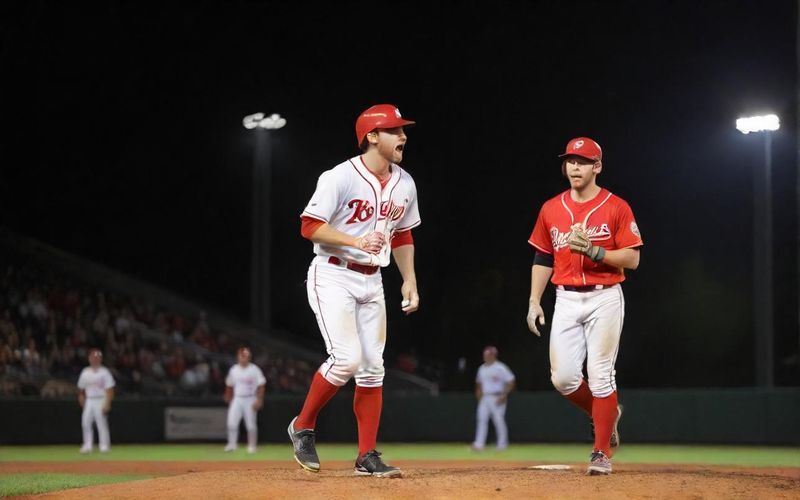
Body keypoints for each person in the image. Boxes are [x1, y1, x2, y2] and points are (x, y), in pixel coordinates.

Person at [288, 104, 421, 478]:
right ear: (372, 136)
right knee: (346, 359)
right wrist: (355, 241)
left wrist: (409, 278)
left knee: (373, 368)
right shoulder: (340, 177)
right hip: (333, 274)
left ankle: (366, 456)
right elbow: (309, 226)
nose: (403, 136)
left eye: (403, 130)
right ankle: (303, 425)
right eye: (395, 130)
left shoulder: (405, 183)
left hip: (373, 279)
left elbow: (403, 234)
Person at [526, 137, 642, 475]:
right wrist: (534, 300)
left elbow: (633, 259)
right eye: (570, 161)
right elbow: (542, 257)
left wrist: (595, 251)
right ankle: (606, 413)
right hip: (565, 297)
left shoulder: (616, 206)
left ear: (597, 167)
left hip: (605, 296)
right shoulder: (551, 208)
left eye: (583, 162)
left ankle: (601, 452)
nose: (575, 167)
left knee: (601, 374)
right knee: (563, 379)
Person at [471, 346, 515, 451]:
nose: (485, 357)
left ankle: (502, 444)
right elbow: (479, 383)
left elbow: (511, 381)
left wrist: (504, 394)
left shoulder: (500, 367)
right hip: (485, 397)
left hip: (497, 396)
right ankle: (479, 444)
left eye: (487, 355)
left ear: (493, 355)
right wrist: (479, 395)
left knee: (498, 420)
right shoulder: (482, 368)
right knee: (481, 419)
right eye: (484, 355)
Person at [223, 347, 266, 453]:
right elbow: (229, 384)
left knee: (250, 425)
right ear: (238, 357)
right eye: (242, 356)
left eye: (246, 356)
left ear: (249, 357)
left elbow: (261, 385)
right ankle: (232, 445)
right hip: (237, 398)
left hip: (250, 398)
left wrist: (259, 399)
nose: (244, 358)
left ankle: (252, 446)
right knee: (231, 423)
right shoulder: (234, 370)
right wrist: (228, 396)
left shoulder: (254, 369)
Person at [77, 348, 115, 453]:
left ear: (100, 359)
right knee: (85, 422)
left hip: (101, 398)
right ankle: (87, 445)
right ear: (89, 359)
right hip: (89, 399)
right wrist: (81, 399)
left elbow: (110, 389)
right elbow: (81, 389)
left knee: (101, 423)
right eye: (93, 357)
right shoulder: (85, 372)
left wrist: (108, 402)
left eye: (97, 358)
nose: (95, 359)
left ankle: (104, 445)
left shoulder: (104, 372)